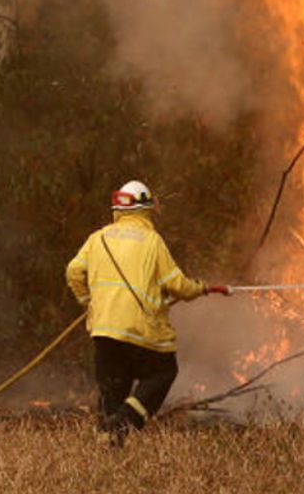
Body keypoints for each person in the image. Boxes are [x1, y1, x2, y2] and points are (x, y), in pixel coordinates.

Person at [65, 180, 229, 444]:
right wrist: (201, 288)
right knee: (163, 372)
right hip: (140, 331)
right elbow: (178, 285)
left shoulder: (98, 238)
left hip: (104, 330)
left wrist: (88, 303)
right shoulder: (152, 242)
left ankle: (108, 440)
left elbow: (73, 271)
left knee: (113, 390)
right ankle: (125, 421)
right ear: (144, 209)